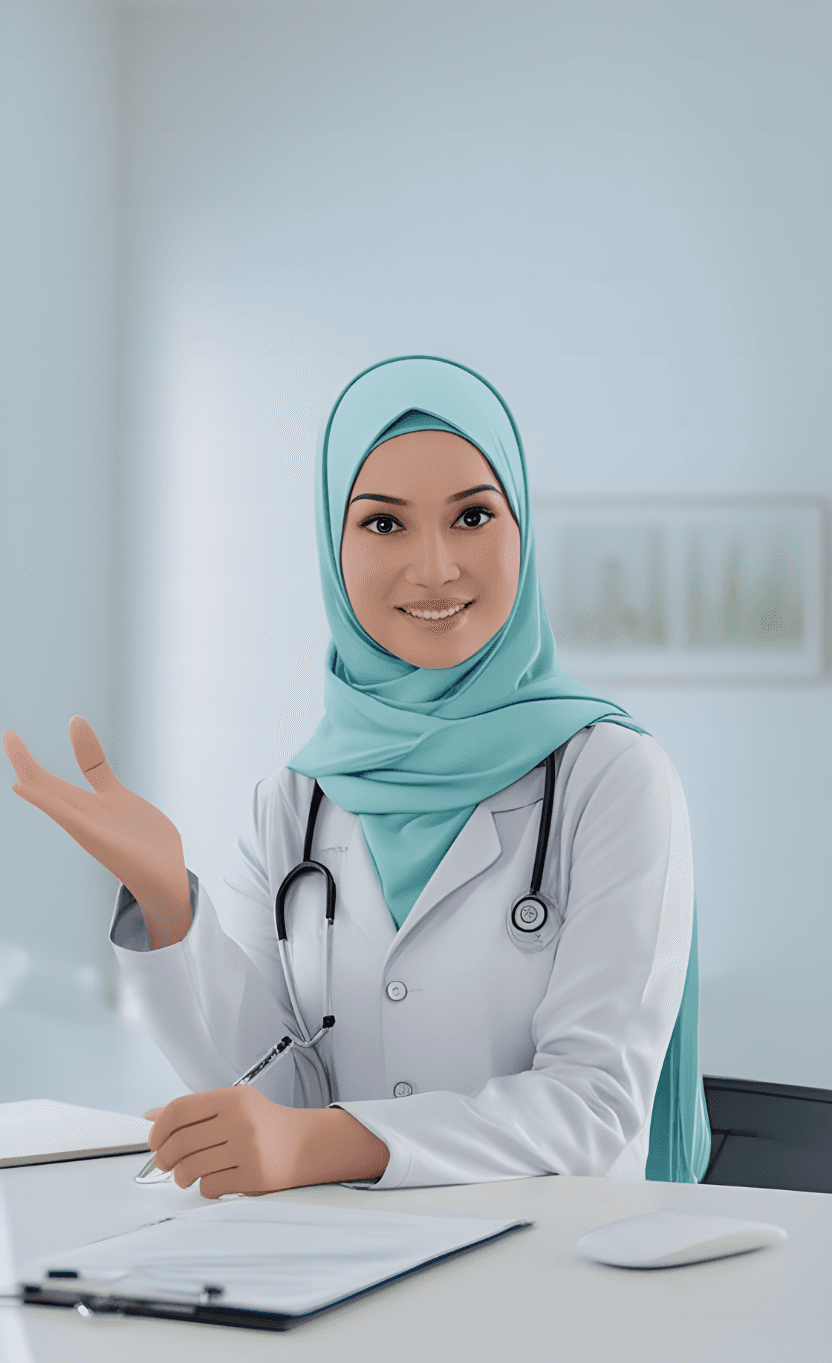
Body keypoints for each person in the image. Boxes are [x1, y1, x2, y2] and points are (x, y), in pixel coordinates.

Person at [3, 355, 710, 1197]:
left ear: (522, 528)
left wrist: (326, 1146)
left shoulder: (613, 778)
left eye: (474, 516)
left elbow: (593, 1109)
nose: (437, 567)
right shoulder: (292, 805)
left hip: (552, 1283)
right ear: (331, 549)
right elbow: (278, 1099)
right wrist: (166, 903)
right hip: (339, 1277)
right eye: (384, 525)